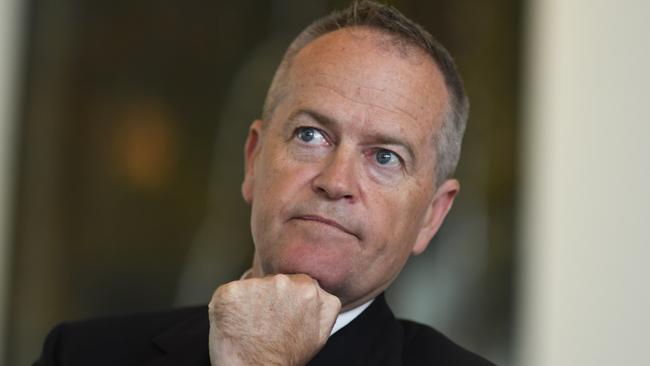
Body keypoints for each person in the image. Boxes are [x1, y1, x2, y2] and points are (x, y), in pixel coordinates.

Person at [35, 1, 494, 365]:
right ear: (254, 159)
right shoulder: (80, 354)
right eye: (311, 135)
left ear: (431, 216)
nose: (336, 182)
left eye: (385, 157)